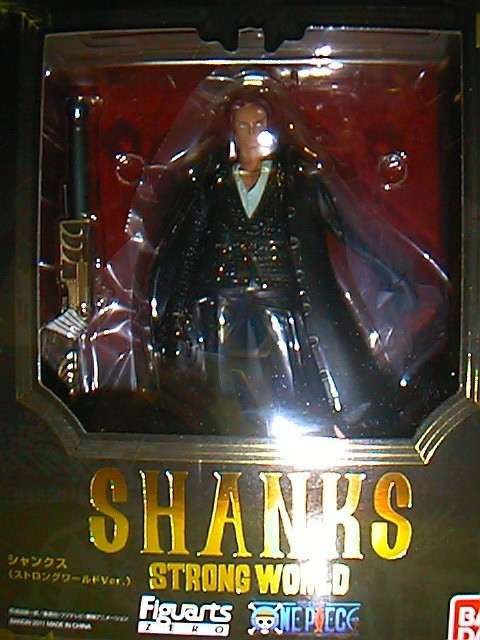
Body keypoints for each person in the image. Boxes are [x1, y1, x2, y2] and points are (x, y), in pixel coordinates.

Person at [149, 90, 428, 437]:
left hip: (278, 294)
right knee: (219, 387)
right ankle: (221, 436)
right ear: (232, 130)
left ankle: (302, 428)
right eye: (244, 126)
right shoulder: (212, 185)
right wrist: (175, 313)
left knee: (291, 376)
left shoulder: (296, 182)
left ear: (271, 129)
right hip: (224, 295)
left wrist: (394, 277)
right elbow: (188, 248)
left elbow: (350, 230)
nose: (252, 133)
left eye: (259, 125)